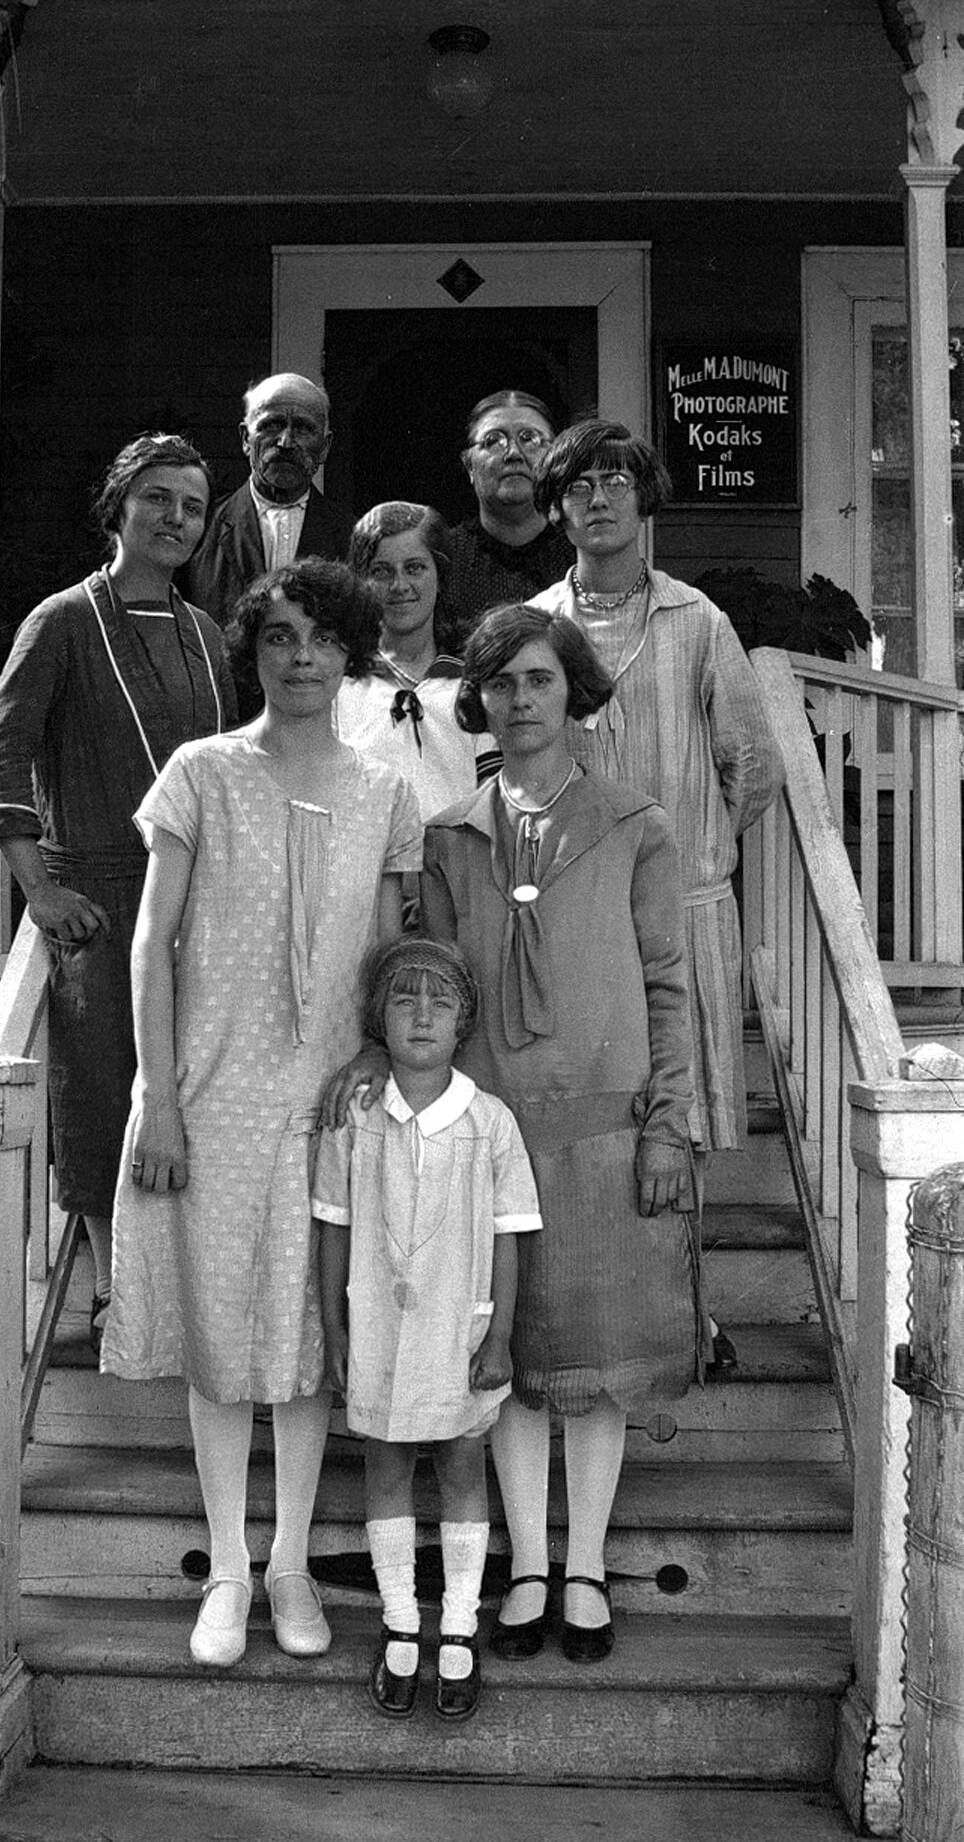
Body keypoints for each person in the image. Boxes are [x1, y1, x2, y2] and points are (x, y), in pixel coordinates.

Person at [100, 558, 422, 1672]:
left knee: (302, 1331)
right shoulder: (199, 772)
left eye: (320, 640)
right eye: (279, 637)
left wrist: (382, 1063)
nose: (298, 658)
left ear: (351, 657)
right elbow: (152, 941)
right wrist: (157, 1098)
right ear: (256, 651)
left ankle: (289, 1560)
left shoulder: (382, 789)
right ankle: (228, 1569)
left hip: (328, 1100)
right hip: (211, 1093)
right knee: (220, 1331)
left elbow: (387, 955)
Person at [420, 605, 698, 1664]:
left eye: (538, 679)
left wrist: (668, 1127)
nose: (520, 699)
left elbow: (668, 988)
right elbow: (438, 992)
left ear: (570, 692)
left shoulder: (636, 825)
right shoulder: (453, 835)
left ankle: (584, 1564)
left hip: (608, 1133)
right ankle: (526, 1564)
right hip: (491, 1136)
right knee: (510, 1354)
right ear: (479, 698)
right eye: (500, 683)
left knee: (593, 1359)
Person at [529, 419, 784, 1370]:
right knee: (599, 1116)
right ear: (558, 509)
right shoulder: (539, 624)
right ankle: (611, 1313)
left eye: (617, 481)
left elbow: (751, 766)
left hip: (686, 912)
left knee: (689, 1119)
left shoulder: (698, 622)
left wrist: (685, 850)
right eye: (580, 485)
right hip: (578, 915)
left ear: (645, 499)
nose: (599, 498)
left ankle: (691, 1313)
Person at [0, 432, 236, 1349]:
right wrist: (38, 885)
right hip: (97, 892)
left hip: (195, 898)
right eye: (157, 498)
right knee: (102, 1085)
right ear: (118, 506)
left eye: (193, 506)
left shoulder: (206, 635)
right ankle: (111, 1280)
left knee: (191, 1085)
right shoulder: (62, 621)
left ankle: (180, 1276)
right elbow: (1, 749)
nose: (176, 519)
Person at [314, 938, 542, 1722]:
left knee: (459, 1465)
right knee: (383, 1464)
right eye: (405, 1000)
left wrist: (501, 1333)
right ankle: (400, 1619)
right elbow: (334, 1226)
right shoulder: (354, 1117)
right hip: (378, 1321)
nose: (421, 1015)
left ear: (463, 1021)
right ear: (379, 1017)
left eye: (439, 1002)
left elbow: (512, 1231)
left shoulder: (489, 1121)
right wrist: (337, 1326)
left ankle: (458, 1624)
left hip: (461, 1327)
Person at [338, 501, 498, 825]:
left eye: (414, 568)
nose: (399, 586)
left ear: (440, 576)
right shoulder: (338, 685)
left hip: (460, 867)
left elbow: (498, 800)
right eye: (381, 572)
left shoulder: (476, 683)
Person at [178, 373, 351, 633]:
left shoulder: (351, 538)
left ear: (324, 448)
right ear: (246, 439)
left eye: (304, 428)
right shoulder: (200, 531)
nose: (285, 443)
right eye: (271, 425)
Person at [447, 390, 573, 625]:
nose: (514, 454)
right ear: (469, 466)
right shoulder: (444, 559)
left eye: (530, 439)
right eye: (493, 441)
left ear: (554, 460)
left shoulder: (580, 553)